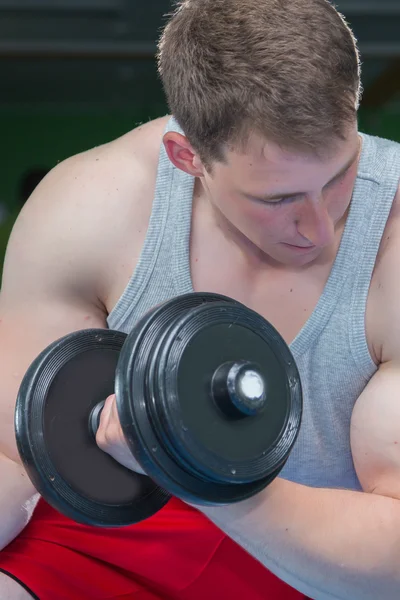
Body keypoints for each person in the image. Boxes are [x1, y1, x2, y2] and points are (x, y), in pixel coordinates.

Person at [0, 0, 399, 598]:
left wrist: (190, 466)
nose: (319, 227)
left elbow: (393, 551)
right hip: (118, 537)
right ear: (188, 158)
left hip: (323, 558)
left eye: (341, 174)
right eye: (277, 199)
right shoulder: (87, 210)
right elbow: (17, 458)